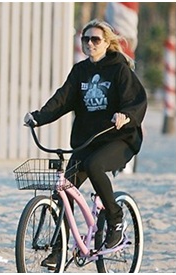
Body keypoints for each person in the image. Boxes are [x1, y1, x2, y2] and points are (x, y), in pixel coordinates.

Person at [24, 19, 147, 269]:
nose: (90, 43)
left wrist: (125, 115)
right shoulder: (80, 71)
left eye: (95, 39)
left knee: (94, 165)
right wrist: (38, 117)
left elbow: (136, 100)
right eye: (85, 39)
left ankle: (115, 220)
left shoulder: (119, 69)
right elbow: (61, 100)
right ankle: (58, 250)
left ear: (106, 43)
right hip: (87, 141)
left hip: (119, 138)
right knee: (63, 190)